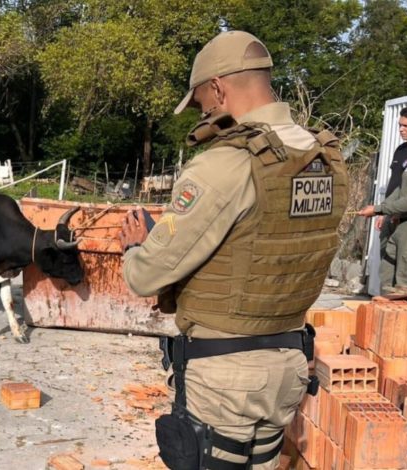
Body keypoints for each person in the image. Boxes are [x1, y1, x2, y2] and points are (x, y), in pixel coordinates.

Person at [118, 30, 348, 470]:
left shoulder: (226, 163)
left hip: (225, 376)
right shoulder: (323, 158)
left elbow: (146, 276)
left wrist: (137, 245)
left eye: (203, 101)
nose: (204, 112)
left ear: (219, 88)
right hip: (288, 365)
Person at [359, 117, 407, 290]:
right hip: (403, 222)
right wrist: (385, 209)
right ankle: (385, 313)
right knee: (387, 274)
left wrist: (379, 209)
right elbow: (402, 188)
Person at [375, 105, 407, 291]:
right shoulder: (401, 150)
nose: (401, 129)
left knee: (405, 273)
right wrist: (383, 211)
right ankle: (385, 308)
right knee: (386, 267)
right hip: (390, 213)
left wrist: (398, 211)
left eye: (406, 125)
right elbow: (395, 182)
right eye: (399, 125)